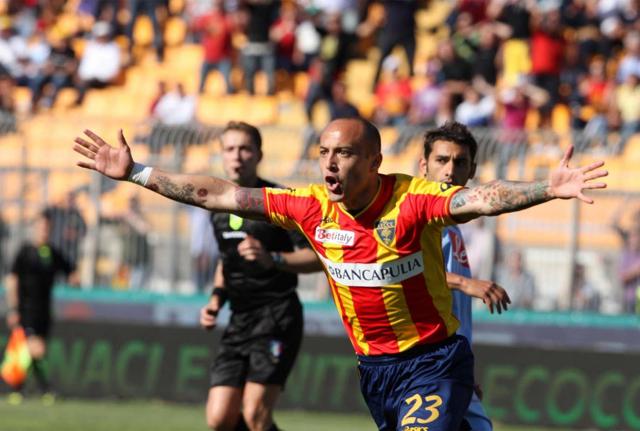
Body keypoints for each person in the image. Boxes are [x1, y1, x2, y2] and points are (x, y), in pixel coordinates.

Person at [73, 117, 607, 431]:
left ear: (374, 161)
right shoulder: (309, 207)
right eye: (324, 152)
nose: (330, 163)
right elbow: (219, 194)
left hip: (432, 362)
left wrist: (546, 188)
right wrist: (137, 172)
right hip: (374, 372)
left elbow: (483, 198)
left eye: (344, 153)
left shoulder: (413, 200)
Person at [202, 121, 320, 431]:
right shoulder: (216, 205)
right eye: (230, 149)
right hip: (239, 318)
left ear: (259, 155)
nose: (237, 156)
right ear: (222, 155)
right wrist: (216, 299)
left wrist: (274, 258)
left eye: (245, 149)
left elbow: (317, 258)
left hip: (277, 316)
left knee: (256, 415)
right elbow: (226, 260)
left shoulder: (280, 201)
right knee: (219, 418)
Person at [419, 121, 510, 431]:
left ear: (472, 171)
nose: (450, 171)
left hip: (451, 361)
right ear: (424, 166)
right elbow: (404, 272)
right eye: (441, 160)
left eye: (460, 163)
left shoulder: (452, 225)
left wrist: (465, 366)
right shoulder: (415, 217)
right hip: (423, 360)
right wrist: (465, 282)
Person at [4, 212, 76, 405]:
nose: (44, 231)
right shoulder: (25, 252)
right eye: (41, 227)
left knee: (30, 352)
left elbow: (71, 272)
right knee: (35, 348)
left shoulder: (52, 253)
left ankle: (18, 390)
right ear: (35, 228)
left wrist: (74, 279)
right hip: (26, 309)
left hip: (44, 311)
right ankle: (45, 389)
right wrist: (13, 308)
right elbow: (12, 280)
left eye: (47, 228)